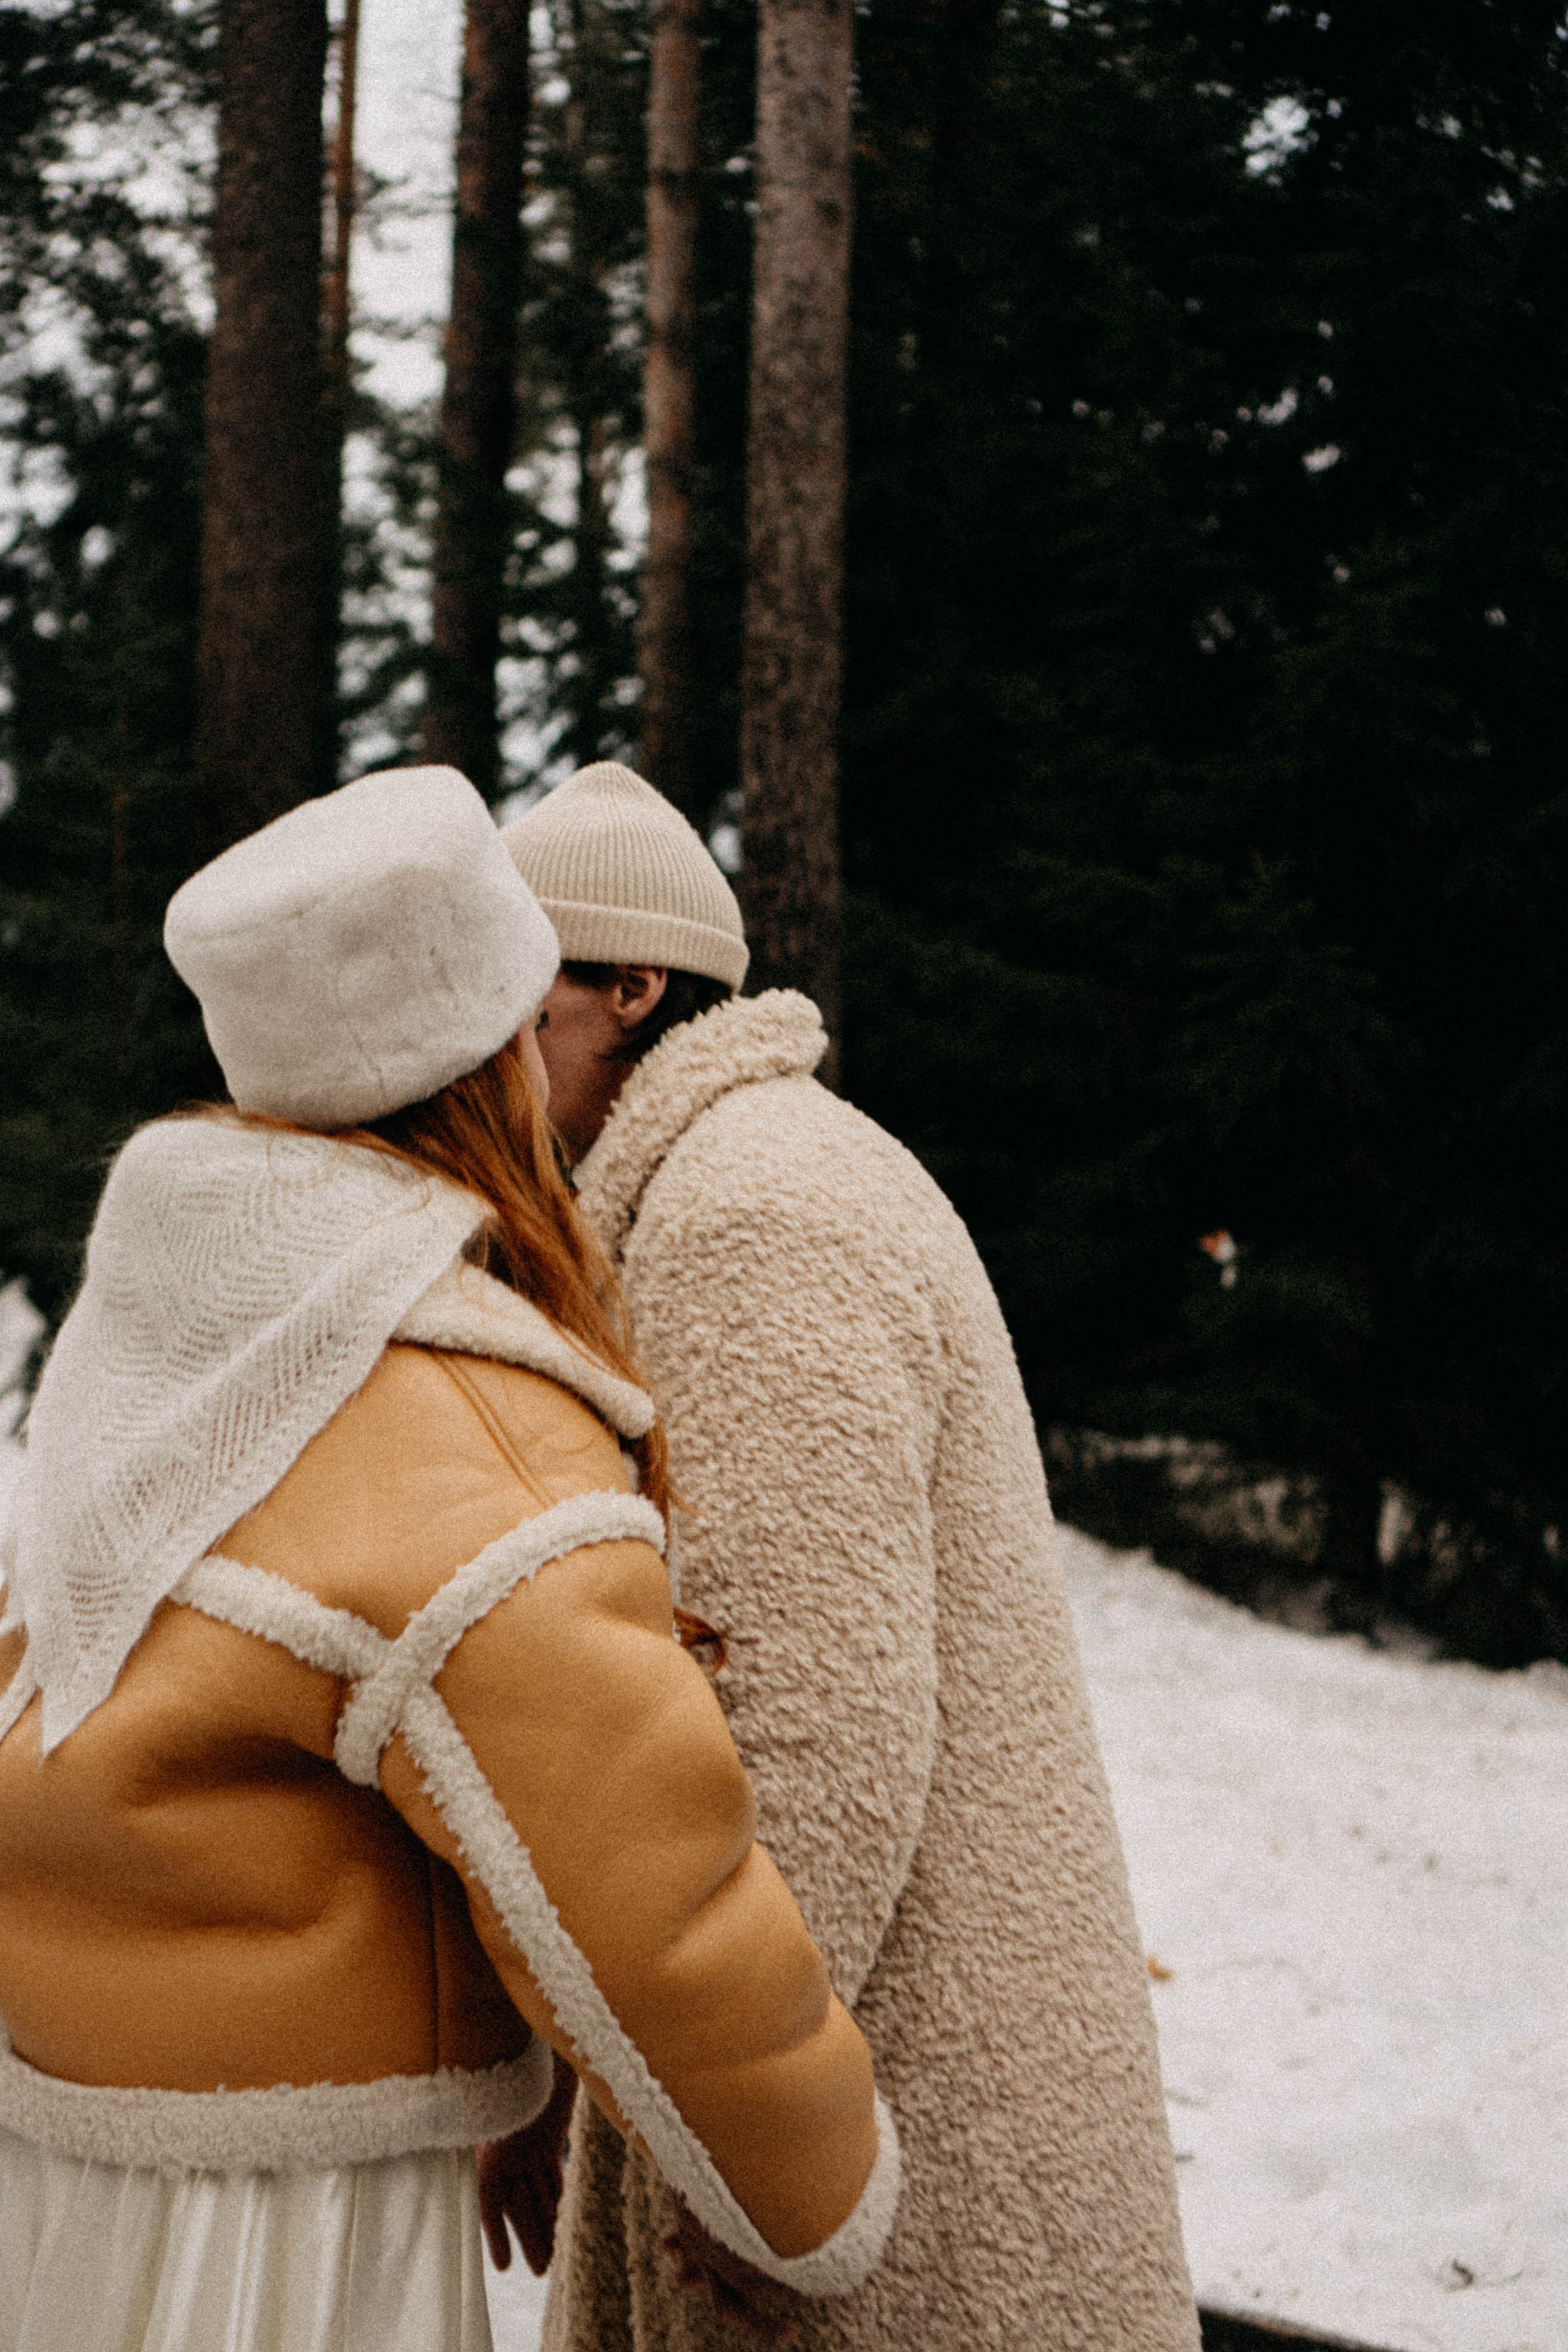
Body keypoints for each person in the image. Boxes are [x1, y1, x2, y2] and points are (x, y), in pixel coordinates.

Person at [0, 766, 900, 2352]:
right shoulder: (466, 1417)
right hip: (276, 2216)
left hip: (52, 2142)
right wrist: (815, 2194)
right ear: (488, 1049)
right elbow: (653, 1890)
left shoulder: (164, 1327)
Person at [500, 762, 1202, 2352]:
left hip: (884, 2110)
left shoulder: (760, 1212)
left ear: (632, 985)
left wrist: (763, 2156)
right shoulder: (731, 1181)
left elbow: (808, 1728)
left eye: (517, 1009)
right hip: (846, 2059)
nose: (484, 1061)